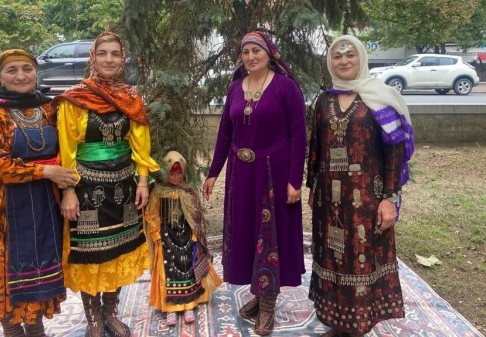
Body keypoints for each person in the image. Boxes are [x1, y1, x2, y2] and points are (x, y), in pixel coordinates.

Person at [306, 35, 414, 337]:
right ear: (331, 62)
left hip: (366, 198)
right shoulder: (324, 101)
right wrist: (312, 186)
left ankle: (359, 325)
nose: (343, 61)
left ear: (361, 58)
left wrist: (389, 199)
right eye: (337, 56)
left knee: (360, 258)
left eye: (350, 55)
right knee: (333, 255)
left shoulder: (379, 98)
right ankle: (340, 323)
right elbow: (315, 147)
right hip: (328, 200)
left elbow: (394, 152)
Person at [0, 49, 78, 337]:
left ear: (36, 72)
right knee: (6, 268)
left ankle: (36, 327)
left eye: (26, 69)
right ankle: (13, 330)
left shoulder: (48, 108)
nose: (20, 76)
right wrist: (45, 172)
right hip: (4, 204)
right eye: (11, 70)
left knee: (40, 263)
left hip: (43, 202)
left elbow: (68, 149)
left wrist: (66, 186)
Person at [202, 31, 307, 336]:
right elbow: (225, 133)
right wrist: (213, 173)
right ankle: (259, 294)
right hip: (242, 175)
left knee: (271, 235)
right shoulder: (236, 88)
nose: (250, 57)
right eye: (245, 52)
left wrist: (294, 180)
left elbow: (298, 135)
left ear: (269, 54)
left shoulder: (286, 87)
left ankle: (268, 304)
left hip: (275, 174)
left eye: (256, 51)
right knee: (248, 233)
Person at [56, 31, 160, 337]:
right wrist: (68, 190)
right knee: (89, 253)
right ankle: (93, 319)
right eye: (102, 53)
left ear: (123, 58)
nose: (109, 59)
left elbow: (141, 144)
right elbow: (67, 147)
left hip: (125, 186)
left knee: (120, 248)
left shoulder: (131, 97)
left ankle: (110, 313)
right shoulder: (75, 98)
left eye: (115, 54)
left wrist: (143, 182)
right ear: (93, 57)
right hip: (86, 188)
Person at [146, 150, 222, 326]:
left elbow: (195, 215)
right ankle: (170, 308)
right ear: (165, 173)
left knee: (189, 269)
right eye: (171, 174)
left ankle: (189, 304)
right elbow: (152, 215)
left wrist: (195, 233)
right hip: (166, 238)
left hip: (186, 238)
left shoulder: (187, 191)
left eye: (179, 173)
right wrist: (156, 234)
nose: (175, 177)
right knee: (168, 271)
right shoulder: (158, 192)